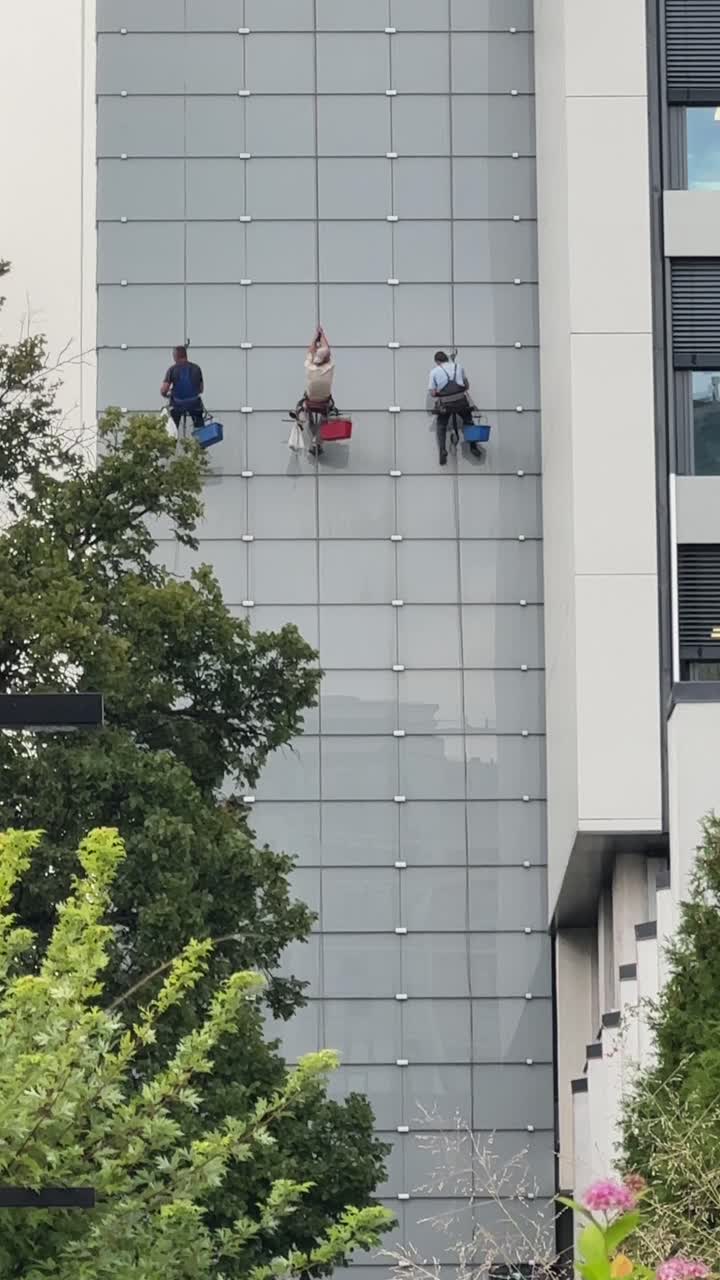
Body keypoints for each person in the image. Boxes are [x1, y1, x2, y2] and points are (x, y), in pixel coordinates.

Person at [290, 327, 337, 456]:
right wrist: (323, 336)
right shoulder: (330, 367)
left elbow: (310, 350)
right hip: (324, 401)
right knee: (325, 418)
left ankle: (301, 420)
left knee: (303, 406)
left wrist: (316, 337)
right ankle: (317, 441)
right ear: (326, 359)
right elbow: (328, 350)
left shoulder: (310, 367)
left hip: (311, 401)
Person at [429, 350, 481, 465]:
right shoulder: (459, 367)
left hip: (446, 404)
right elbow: (467, 386)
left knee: (441, 425)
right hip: (461, 401)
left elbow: (432, 393)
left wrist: (440, 392)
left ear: (437, 361)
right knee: (468, 421)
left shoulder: (434, 371)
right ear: (447, 359)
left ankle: (442, 450)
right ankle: (473, 446)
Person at [161, 346, 205, 432]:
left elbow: (164, 390)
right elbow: (201, 389)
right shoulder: (196, 368)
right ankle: (199, 441)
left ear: (176, 356)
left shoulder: (172, 369)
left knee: (172, 427)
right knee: (199, 426)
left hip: (177, 405)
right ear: (185, 355)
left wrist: (167, 394)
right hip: (194, 404)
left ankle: (172, 440)